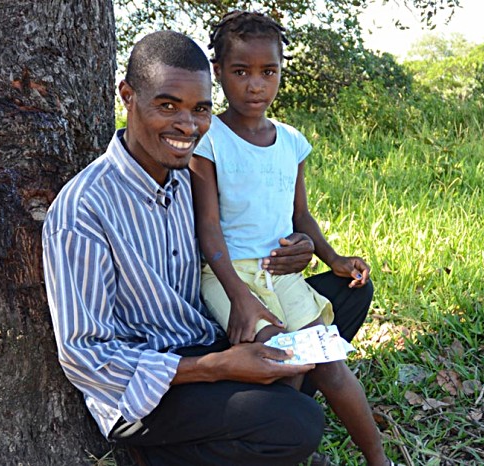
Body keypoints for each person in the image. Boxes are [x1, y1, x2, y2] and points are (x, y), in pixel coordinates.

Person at [43, 30, 349, 466]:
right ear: (128, 96)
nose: (188, 126)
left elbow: (242, 239)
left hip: (208, 336)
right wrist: (219, 367)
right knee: (298, 422)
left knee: (343, 302)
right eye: (167, 106)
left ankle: (254, 415)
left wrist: (297, 249)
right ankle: (157, 456)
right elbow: (84, 355)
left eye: (200, 109)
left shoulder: (194, 178)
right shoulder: (83, 210)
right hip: (148, 388)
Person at [189, 11, 390, 466]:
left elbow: (300, 213)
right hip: (228, 275)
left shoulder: (292, 142)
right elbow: (208, 227)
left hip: (282, 275)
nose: (255, 85)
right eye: (240, 72)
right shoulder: (209, 139)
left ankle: (380, 459)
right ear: (218, 72)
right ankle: (290, 452)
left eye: (268, 72)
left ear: (281, 72)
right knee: (280, 362)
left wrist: (333, 258)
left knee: (330, 364)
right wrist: (238, 296)